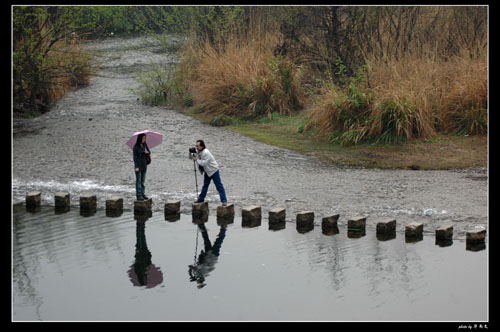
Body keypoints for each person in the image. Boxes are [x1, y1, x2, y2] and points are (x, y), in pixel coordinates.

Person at [192, 140, 228, 206]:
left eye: (197, 146)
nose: (196, 147)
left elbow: (204, 163)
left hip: (214, 171)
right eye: (195, 146)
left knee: (219, 186)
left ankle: (224, 201)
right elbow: (191, 158)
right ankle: (201, 199)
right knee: (205, 185)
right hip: (207, 171)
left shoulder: (206, 152)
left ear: (202, 146)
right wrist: (190, 153)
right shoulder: (198, 151)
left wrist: (196, 159)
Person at [133, 133, 151, 201]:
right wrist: (136, 166)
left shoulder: (145, 145)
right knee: (138, 180)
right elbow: (135, 157)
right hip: (138, 166)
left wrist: (147, 152)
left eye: (145, 138)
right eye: (143, 138)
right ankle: (138, 195)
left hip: (144, 165)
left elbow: (149, 152)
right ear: (140, 138)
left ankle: (143, 193)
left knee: (143, 181)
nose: (144, 139)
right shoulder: (136, 146)